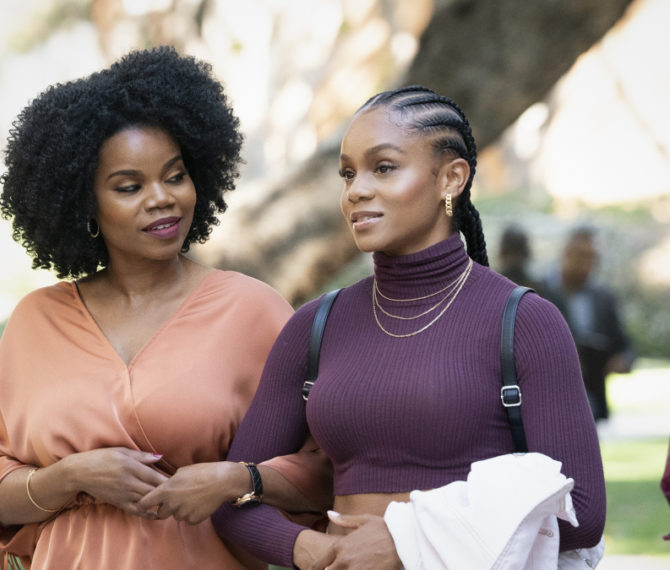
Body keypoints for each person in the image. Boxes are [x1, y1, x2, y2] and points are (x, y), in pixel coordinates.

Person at [212, 85, 605, 569]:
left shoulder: (524, 321)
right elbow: (230, 498)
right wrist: (311, 550)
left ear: (451, 179)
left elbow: (582, 512)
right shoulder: (315, 326)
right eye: (348, 173)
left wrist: (407, 541)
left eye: (383, 167)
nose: (356, 190)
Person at [0, 46, 323, 570]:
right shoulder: (35, 323)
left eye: (175, 176)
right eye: (129, 186)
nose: (161, 198)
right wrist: (72, 476)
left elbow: (323, 469)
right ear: (85, 204)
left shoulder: (252, 311)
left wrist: (235, 480)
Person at [539, 226, 635, 421]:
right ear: (566, 253)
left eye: (592, 258)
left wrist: (622, 359)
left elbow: (624, 344)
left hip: (591, 398)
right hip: (547, 397)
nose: (587, 265)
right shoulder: (540, 291)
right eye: (581, 256)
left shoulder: (603, 298)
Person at [496, 223, 540, 290]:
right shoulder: (492, 286)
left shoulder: (538, 289)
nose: (515, 258)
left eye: (519, 251)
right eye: (510, 251)